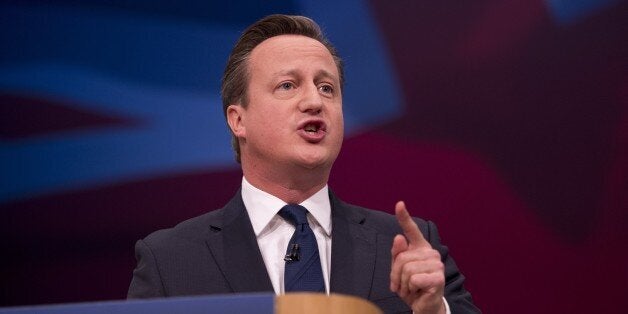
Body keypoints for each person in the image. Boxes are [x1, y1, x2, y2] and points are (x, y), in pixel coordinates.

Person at [128, 14, 480, 314]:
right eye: (287, 85)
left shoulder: (406, 245)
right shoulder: (169, 261)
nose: (314, 101)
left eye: (327, 88)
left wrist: (434, 310)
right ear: (238, 120)